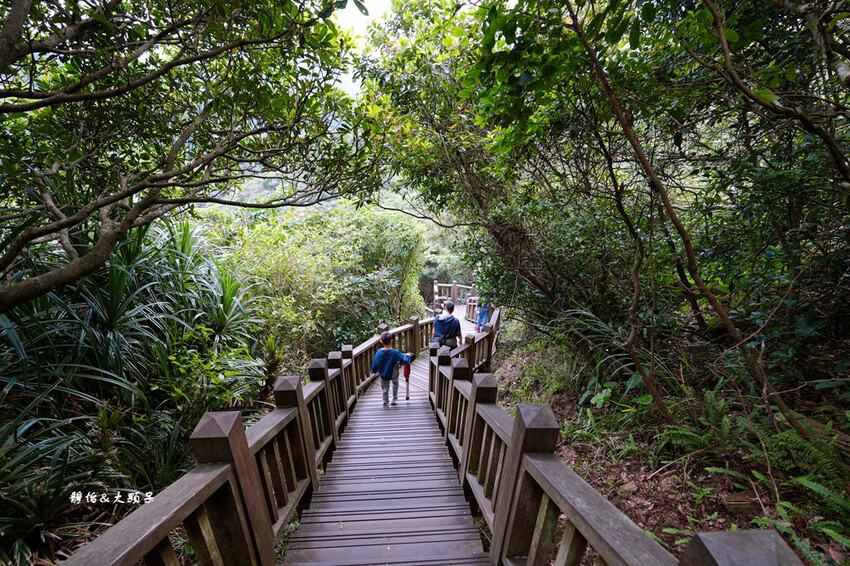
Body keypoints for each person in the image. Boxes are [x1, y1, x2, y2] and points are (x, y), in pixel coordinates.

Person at [371, 331, 412, 408]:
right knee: (395, 385)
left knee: (385, 389)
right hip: (394, 373)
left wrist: (373, 370)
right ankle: (394, 398)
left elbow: (375, 363)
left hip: (384, 374)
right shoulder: (395, 353)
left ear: (381, 341)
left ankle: (385, 403)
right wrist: (408, 356)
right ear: (391, 341)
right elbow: (405, 360)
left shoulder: (378, 353)